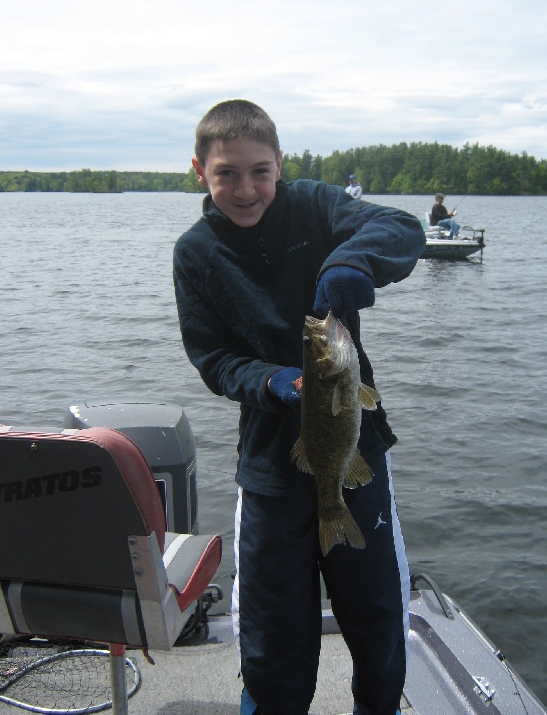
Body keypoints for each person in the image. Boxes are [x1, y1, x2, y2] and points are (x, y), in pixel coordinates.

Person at [173, 100, 426, 715]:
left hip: (353, 455)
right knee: (272, 631)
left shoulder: (315, 205)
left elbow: (403, 228)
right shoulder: (196, 253)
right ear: (199, 171)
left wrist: (351, 260)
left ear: (280, 164)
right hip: (268, 463)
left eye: (260, 170)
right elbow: (214, 360)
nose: (246, 187)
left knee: (374, 612)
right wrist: (271, 381)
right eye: (226, 172)